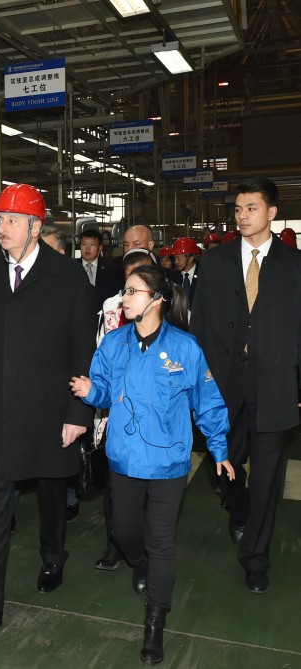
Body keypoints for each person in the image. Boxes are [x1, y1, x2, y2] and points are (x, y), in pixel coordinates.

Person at [0, 183, 96, 628]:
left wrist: (78, 414)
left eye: (10, 221)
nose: (1, 229)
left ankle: (53, 557)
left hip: (52, 411)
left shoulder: (67, 277)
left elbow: (82, 349)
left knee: (51, 493)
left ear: (34, 227)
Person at [70, 264, 234, 665]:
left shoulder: (185, 348)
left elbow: (207, 402)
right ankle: (138, 561)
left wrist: (220, 449)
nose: (124, 299)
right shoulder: (113, 343)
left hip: (168, 462)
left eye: (133, 292)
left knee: (161, 542)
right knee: (126, 533)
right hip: (123, 458)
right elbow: (105, 388)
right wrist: (93, 392)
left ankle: (155, 623)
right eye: (124, 291)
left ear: (157, 299)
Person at [191, 177, 301, 596]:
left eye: (251, 208)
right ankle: (238, 508)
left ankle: (256, 558)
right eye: (238, 209)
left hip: (275, 386)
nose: (242, 216)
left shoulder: (294, 266)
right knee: (224, 466)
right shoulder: (215, 263)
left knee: (269, 477)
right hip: (224, 386)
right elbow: (200, 326)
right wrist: (200, 384)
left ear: (272, 213)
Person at [93, 248, 157, 572]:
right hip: (117, 410)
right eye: (129, 279)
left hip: (154, 413)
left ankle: (147, 549)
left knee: (148, 487)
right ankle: (115, 544)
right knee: (114, 481)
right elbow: (101, 351)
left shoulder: (167, 309)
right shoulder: (110, 307)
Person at [79, 228, 123, 311]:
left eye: (92, 244)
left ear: (100, 248)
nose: (87, 248)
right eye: (84, 244)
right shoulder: (72, 267)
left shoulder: (113, 270)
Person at [171, 237, 202, 306]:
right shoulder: (172, 277)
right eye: (175, 258)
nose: (176, 262)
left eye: (179, 258)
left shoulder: (203, 276)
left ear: (191, 258)